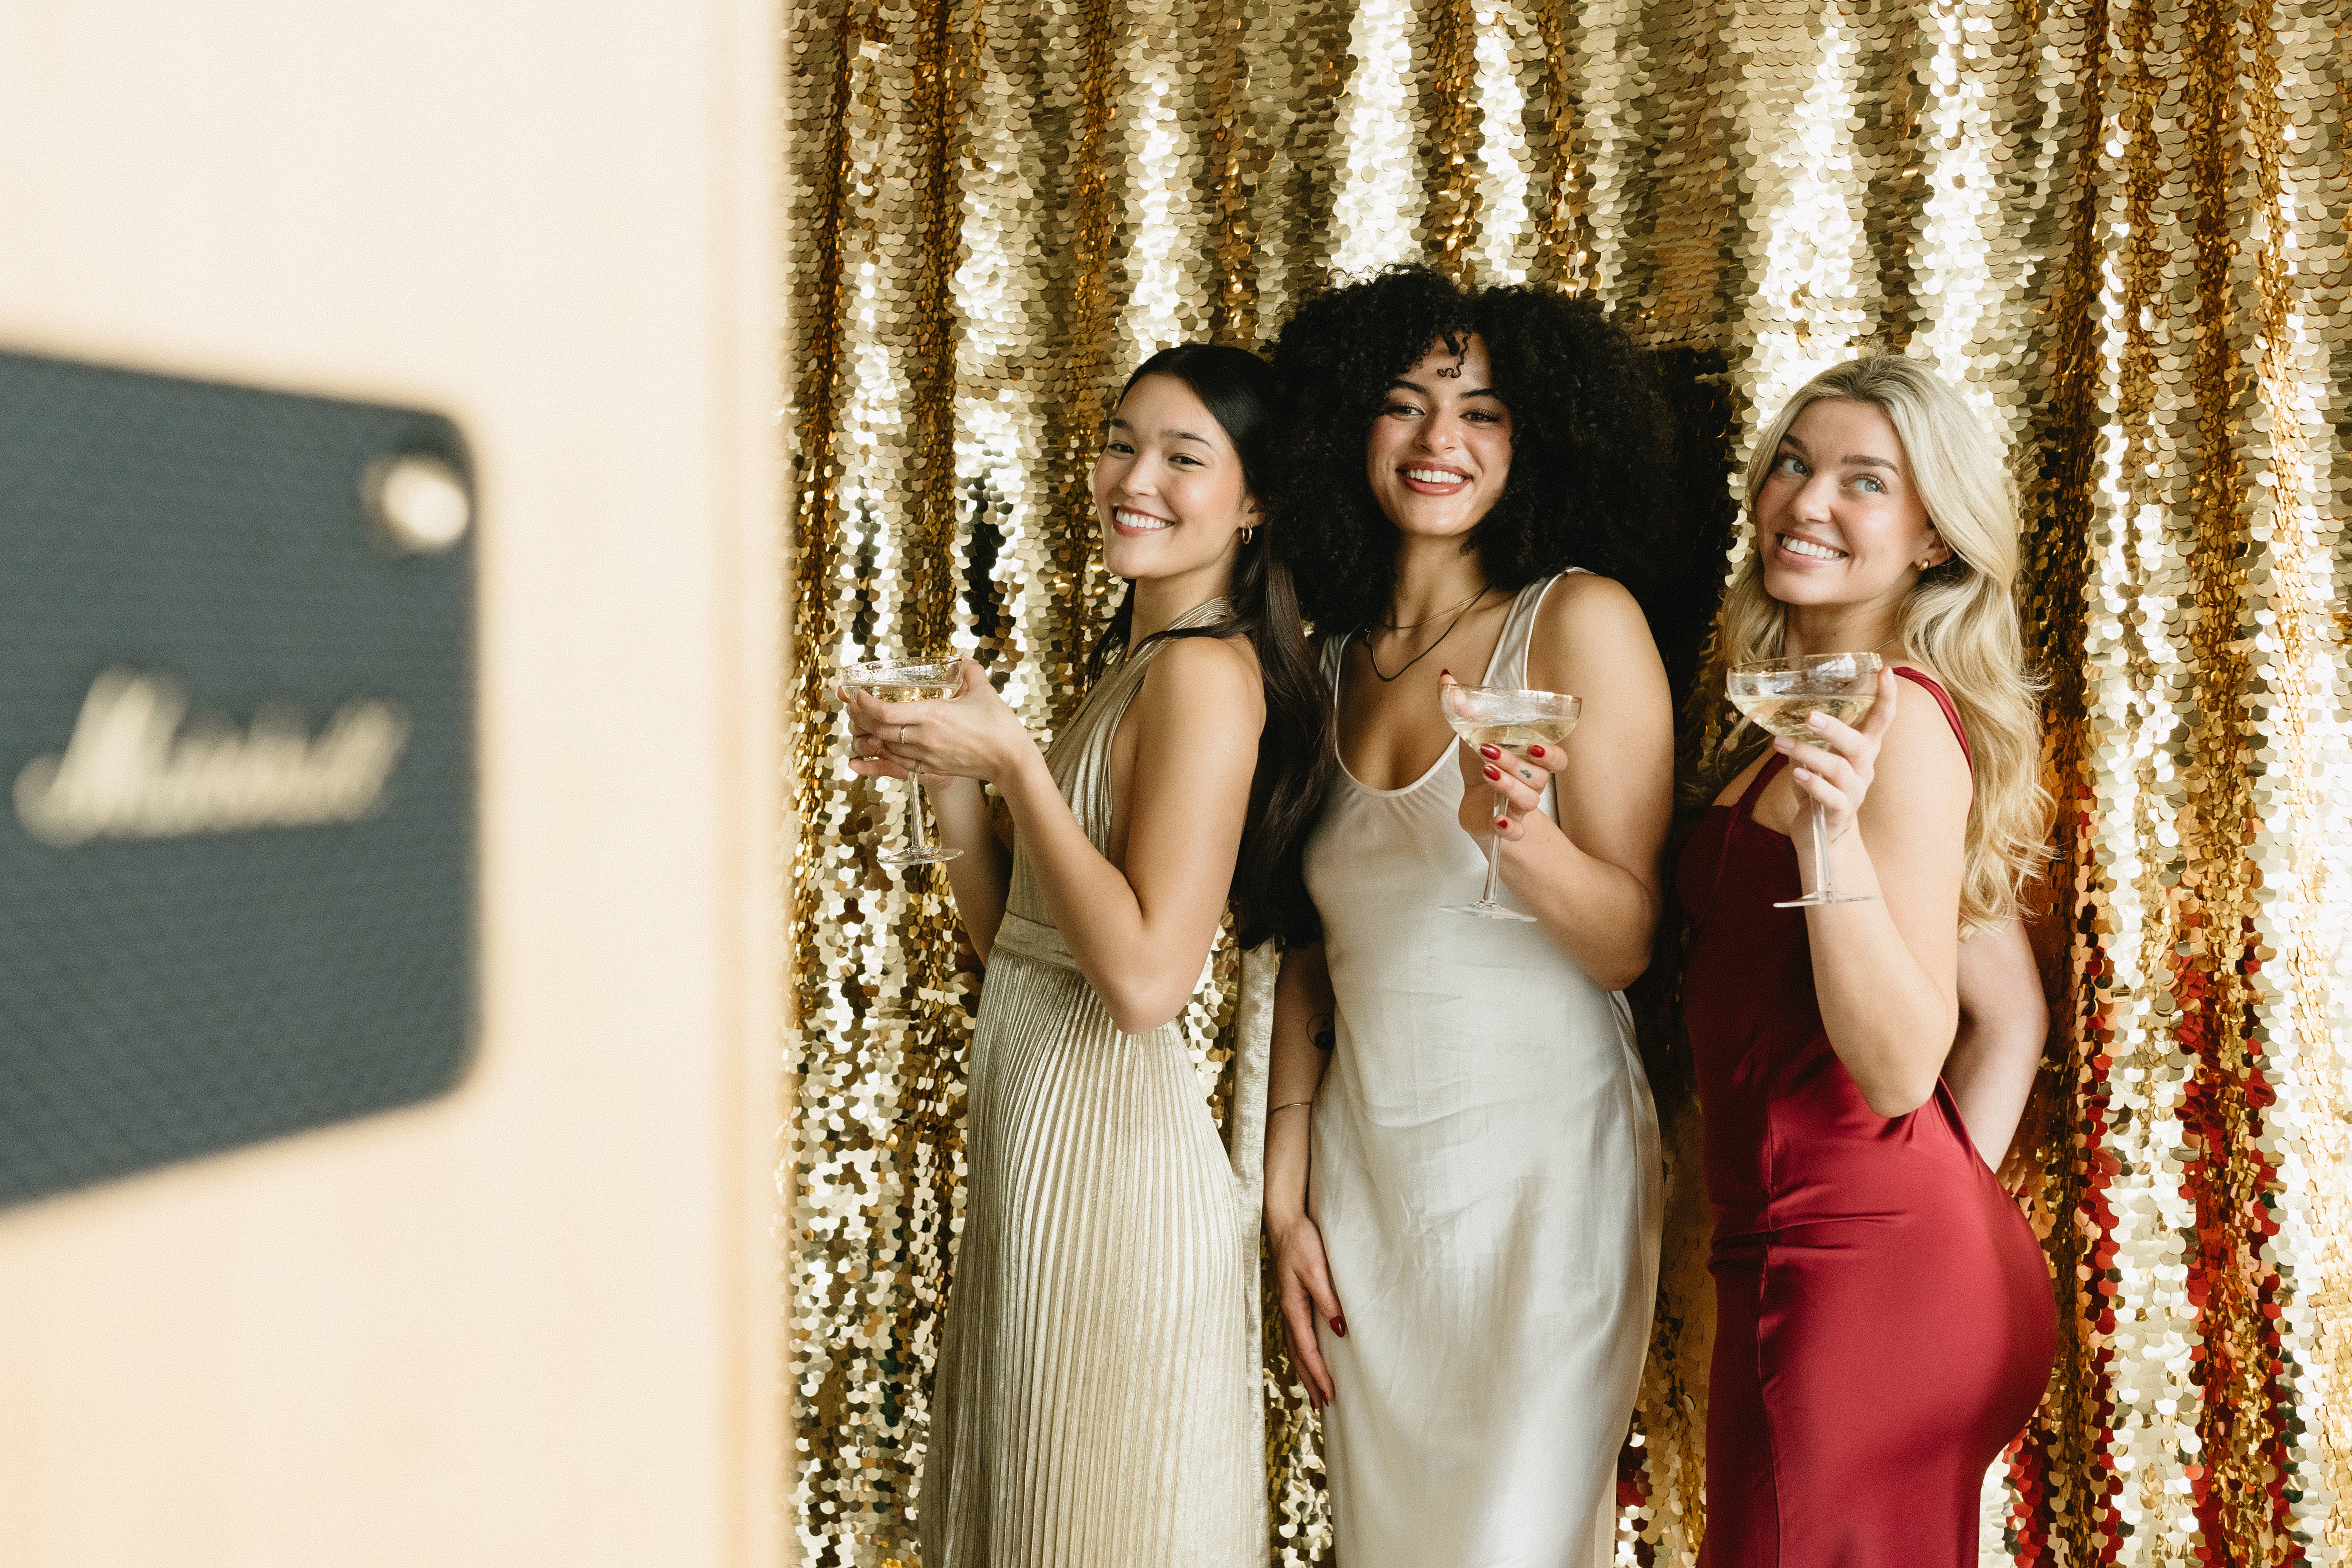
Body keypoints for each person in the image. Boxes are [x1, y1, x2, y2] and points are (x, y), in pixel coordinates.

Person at [845, 343, 1327, 1568]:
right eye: (1121, 442)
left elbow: (1150, 978)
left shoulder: (1210, 675)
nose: (1135, 477)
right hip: (1044, 1152)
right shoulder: (1140, 667)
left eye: (1183, 456)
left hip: (1112, 1171)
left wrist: (1015, 766)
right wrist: (953, 791)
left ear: (1254, 500)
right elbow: (1020, 940)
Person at [1260, 265, 1676, 1565]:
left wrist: (1522, 841)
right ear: (1348, 430)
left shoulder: (1576, 625)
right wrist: (1283, 1203)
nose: (1442, 442)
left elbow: (1630, 941)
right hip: (1375, 1188)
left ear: (1537, 436)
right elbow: (1308, 962)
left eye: (1484, 412)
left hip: (1548, 1177)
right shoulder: (1316, 663)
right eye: (1405, 404)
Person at [1675, 355, 2057, 1565]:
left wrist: (1882, 1227)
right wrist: (1939, 1213)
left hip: (1843, 1282)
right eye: (1793, 462)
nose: (1807, 500)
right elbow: (2011, 1014)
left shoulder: (1895, 728)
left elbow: (1898, 1072)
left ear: (1933, 538)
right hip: (1876, 1261)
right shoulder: (1820, 718)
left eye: (1862, 481)